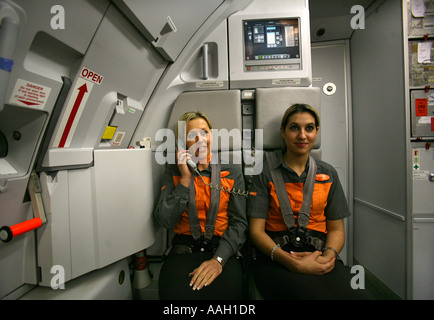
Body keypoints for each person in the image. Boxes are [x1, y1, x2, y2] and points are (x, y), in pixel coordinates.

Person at [247, 103, 372, 300]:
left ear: (316, 132)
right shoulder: (264, 172)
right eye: (294, 127)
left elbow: (337, 230)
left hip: (319, 255)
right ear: (283, 132)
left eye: (309, 128)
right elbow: (256, 231)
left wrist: (328, 256)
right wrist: (292, 262)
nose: (302, 135)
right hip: (276, 259)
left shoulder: (328, 173)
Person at [154, 111, 247, 300]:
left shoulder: (232, 172)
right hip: (182, 252)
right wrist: (185, 180)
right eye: (191, 136)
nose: (200, 140)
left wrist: (218, 260)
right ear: (182, 144)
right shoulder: (173, 172)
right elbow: (165, 219)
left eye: (204, 132)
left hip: (222, 251)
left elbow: (239, 224)